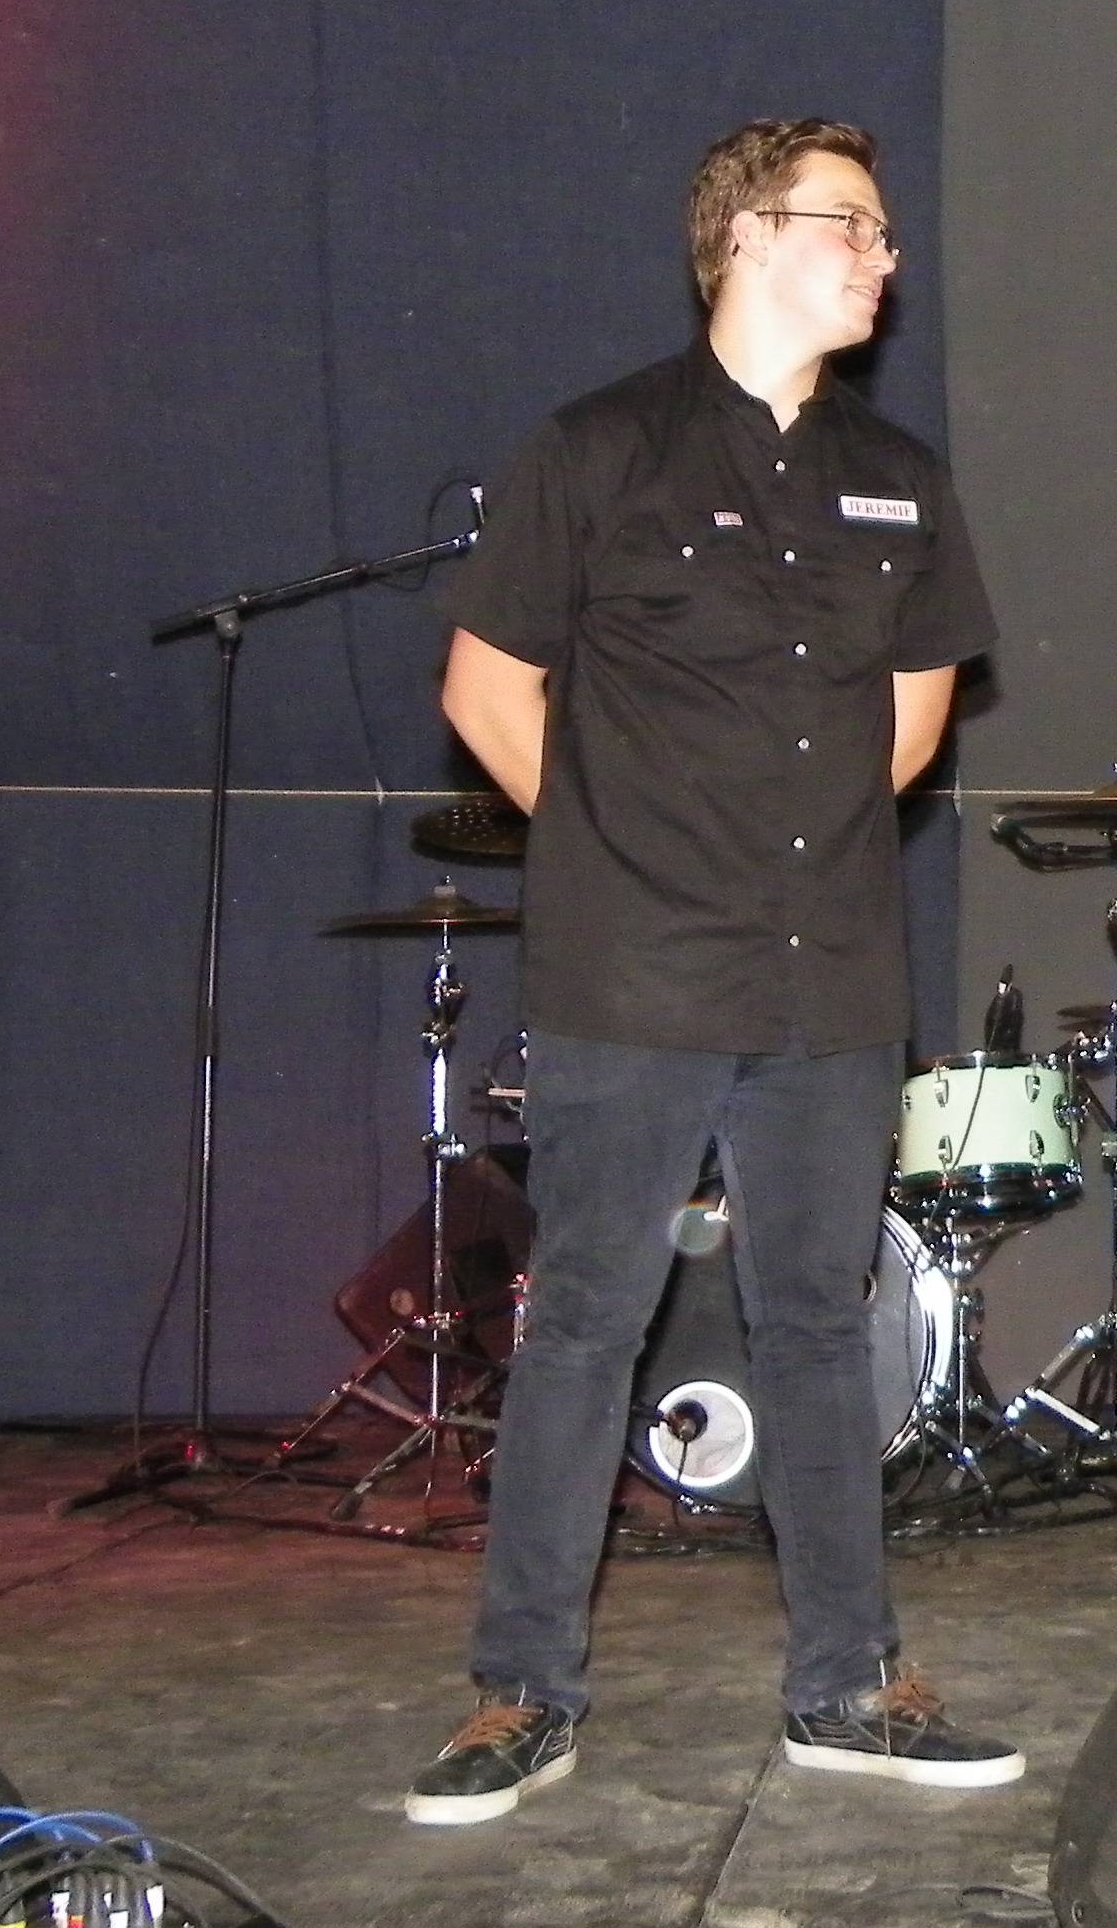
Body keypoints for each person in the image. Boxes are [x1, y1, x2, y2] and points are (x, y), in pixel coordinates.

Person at [408, 116, 1019, 1823]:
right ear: (747, 235)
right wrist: (620, 849)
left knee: (819, 1326)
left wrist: (781, 862)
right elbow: (485, 688)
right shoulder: (600, 446)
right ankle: (521, 1693)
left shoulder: (900, 475)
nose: (884, 256)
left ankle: (850, 1685)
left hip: (831, 976)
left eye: (886, 234)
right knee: (585, 1322)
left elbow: (913, 718)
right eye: (853, 226)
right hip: (635, 974)